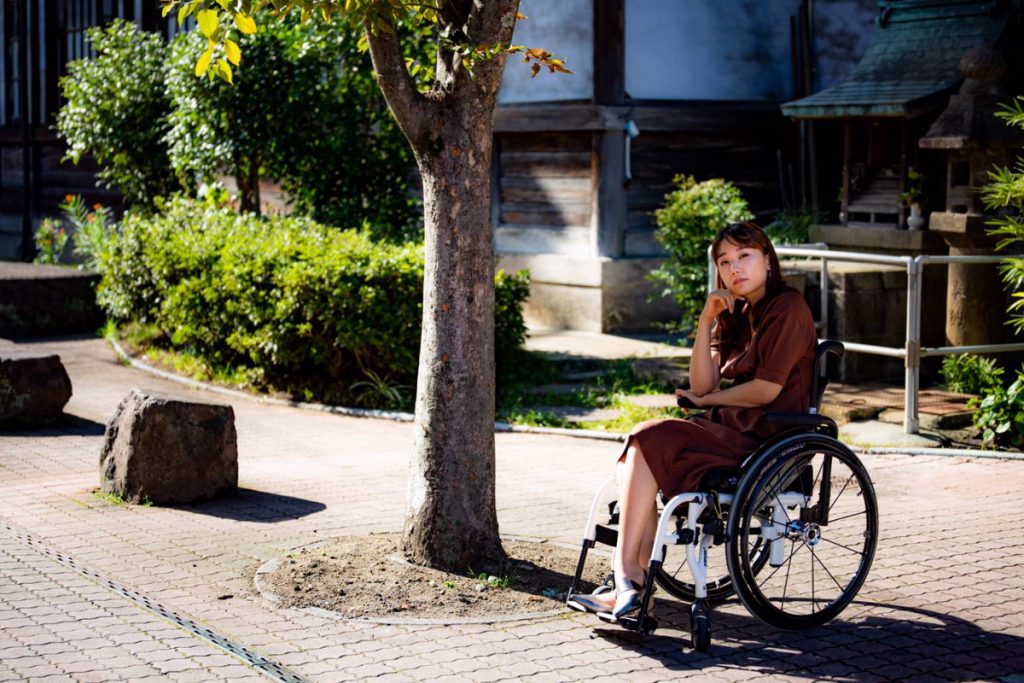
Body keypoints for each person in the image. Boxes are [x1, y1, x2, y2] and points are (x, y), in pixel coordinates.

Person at [569, 221, 817, 620]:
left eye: (745, 256)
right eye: (725, 261)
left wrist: (708, 399)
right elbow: (702, 381)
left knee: (647, 439)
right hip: (724, 431)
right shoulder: (734, 312)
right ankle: (632, 587)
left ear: (768, 260)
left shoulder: (788, 308)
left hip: (767, 439)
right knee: (643, 451)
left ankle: (627, 582)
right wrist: (706, 320)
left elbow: (765, 390)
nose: (735, 268)